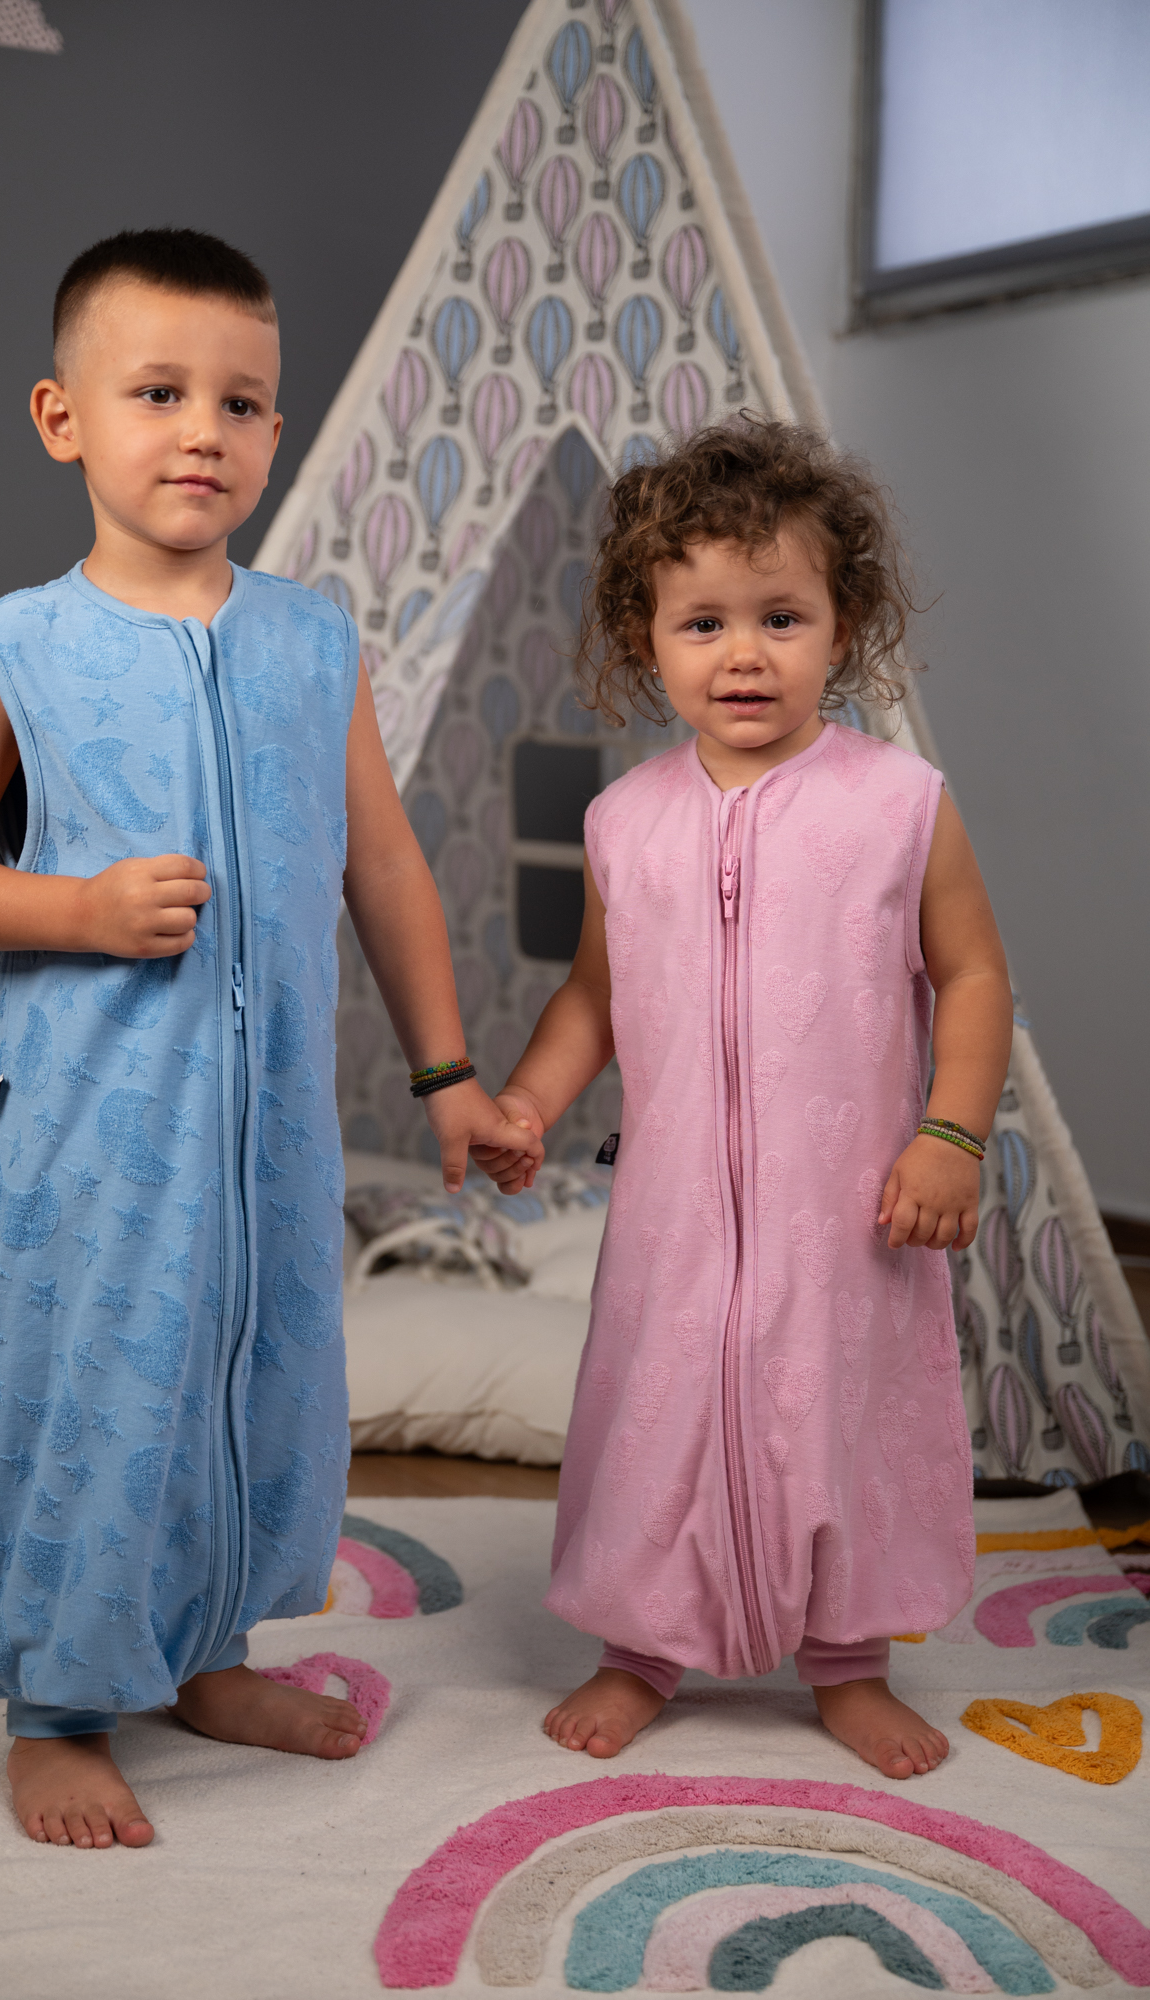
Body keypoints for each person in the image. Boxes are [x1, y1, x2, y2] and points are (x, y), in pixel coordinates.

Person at [0, 227, 539, 1850]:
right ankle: (55, 1706)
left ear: (276, 429)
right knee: (97, 1385)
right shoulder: (18, 645)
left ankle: (209, 1656)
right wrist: (81, 909)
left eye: (242, 403)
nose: (204, 432)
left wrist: (450, 1075)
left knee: (246, 1376)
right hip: (94, 1123)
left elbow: (382, 866)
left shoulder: (314, 641)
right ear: (63, 419)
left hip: (265, 1127)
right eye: (159, 393)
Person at [472, 417, 1011, 1780]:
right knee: (658, 1425)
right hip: (674, 1221)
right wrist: (529, 1100)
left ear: (844, 626)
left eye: (782, 616)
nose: (746, 654)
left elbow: (971, 974)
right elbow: (593, 997)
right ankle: (641, 1648)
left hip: (850, 1213)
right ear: (644, 639)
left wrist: (950, 1134)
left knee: (839, 1425)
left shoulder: (899, 803)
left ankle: (848, 1660)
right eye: (703, 623)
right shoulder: (626, 822)